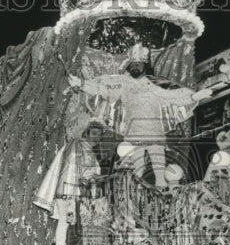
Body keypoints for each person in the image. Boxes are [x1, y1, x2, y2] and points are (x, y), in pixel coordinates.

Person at [69, 66, 212, 189]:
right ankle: (134, 199)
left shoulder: (154, 89)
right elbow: (102, 89)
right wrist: (81, 83)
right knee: (137, 172)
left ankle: (160, 196)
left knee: (159, 173)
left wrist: (195, 96)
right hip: (134, 136)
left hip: (155, 136)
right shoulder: (124, 88)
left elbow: (173, 96)